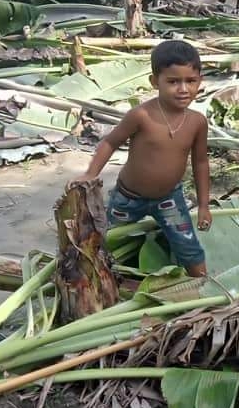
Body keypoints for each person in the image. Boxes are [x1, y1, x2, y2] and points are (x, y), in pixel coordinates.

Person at [76, 39, 212, 278]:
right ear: (154, 82)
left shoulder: (197, 122)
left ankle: (203, 284)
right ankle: (98, 280)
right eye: (173, 81)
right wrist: (91, 173)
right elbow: (110, 142)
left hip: (169, 198)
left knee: (187, 245)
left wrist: (203, 206)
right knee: (106, 243)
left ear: (200, 80)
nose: (183, 89)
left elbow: (201, 163)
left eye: (190, 81)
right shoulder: (141, 115)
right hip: (128, 197)